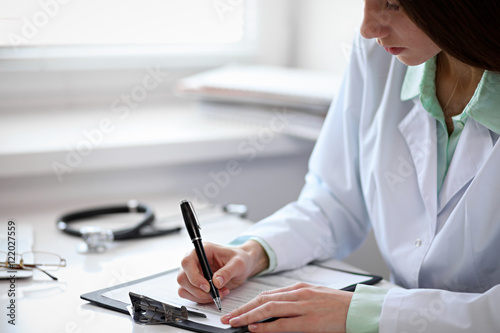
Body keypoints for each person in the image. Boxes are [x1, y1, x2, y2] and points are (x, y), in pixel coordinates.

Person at [177, 1, 500, 332]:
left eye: (393, 3)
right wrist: (253, 253)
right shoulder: (381, 55)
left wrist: (368, 313)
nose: (368, 29)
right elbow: (334, 199)